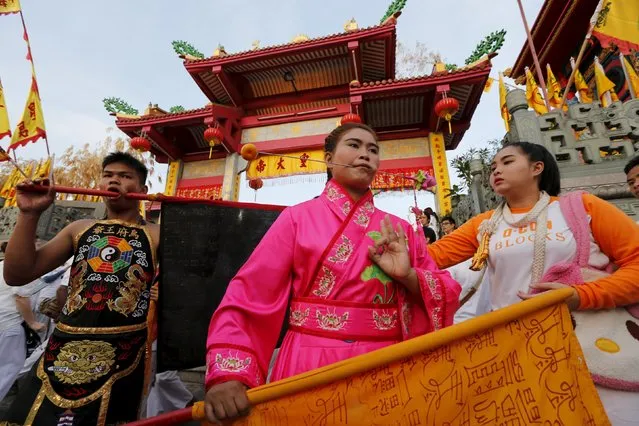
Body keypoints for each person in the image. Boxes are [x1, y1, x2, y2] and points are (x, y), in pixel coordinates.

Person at [203, 123, 461, 423]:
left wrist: (407, 276)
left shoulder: (399, 230)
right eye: (354, 145)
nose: (365, 154)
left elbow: (447, 291)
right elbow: (251, 294)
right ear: (328, 158)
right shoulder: (296, 218)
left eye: (373, 149)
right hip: (310, 361)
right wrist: (230, 374)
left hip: (385, 364)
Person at [427, 141, 639, 425]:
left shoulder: (581, 207)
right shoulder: (485, 224)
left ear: (537, 167)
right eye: (493, 167)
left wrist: (581, 295)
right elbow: (428, 257)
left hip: (590, 347)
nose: (496, 170)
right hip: (517, 350)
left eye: (507, 162)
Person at [1, 152, 159, 426]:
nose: (114, 180)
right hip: (64, 345)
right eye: (108, 175)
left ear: (143, 190)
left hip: (123, 350)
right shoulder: (79, 229)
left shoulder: (158, 234)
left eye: (124, 176)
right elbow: (17, 274)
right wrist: (29, 213)